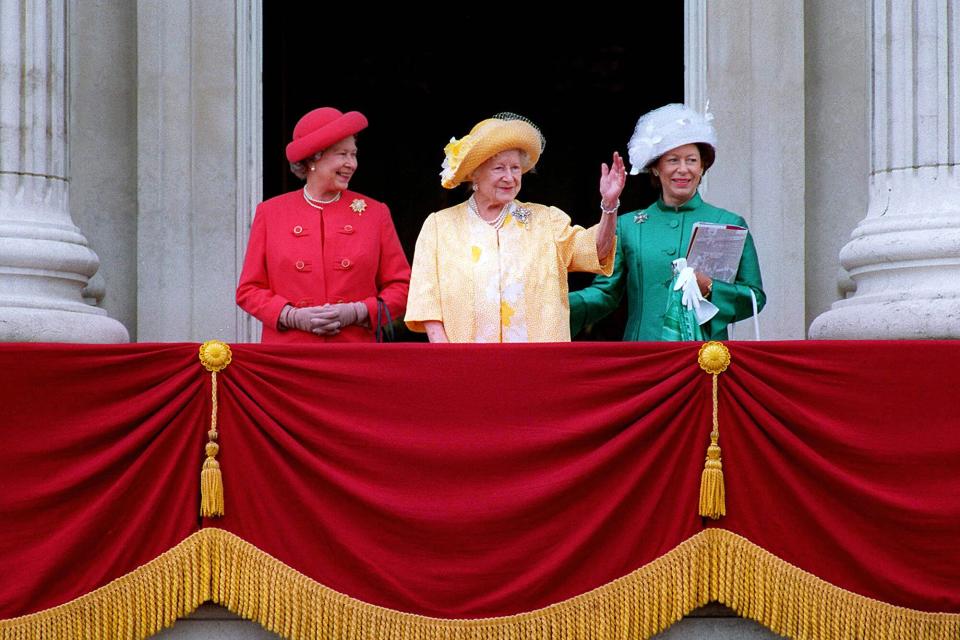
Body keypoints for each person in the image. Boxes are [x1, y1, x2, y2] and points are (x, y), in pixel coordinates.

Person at [404, 113, 623, 343]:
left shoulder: (546, 221)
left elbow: (597, 250)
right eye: (499, 168)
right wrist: (449, 357)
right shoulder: (440, 226)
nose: (509, 177)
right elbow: (426, 300)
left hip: (537, 366)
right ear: (475, 174)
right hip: (466, 365)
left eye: (515, 168)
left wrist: (609, 206)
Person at [569, 104, 765, 341]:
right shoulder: (629, 226)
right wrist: (555, 302)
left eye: (692, 160)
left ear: (702, 167)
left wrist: (711, 287)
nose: (683, 170)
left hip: (706, 357)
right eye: (673, 160)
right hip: (644, 355)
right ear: (655, 167)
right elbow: (604, 294)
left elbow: (754, 296)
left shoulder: (728, 222)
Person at [237, 107, 410, 343]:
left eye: (354, 154)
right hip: (288, 356)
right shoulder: (270, 213)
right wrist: (290, 315)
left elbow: (402, 287)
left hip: (355, 355)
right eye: (342, 154)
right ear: (313, 158)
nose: (352, 164)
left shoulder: (375, 213)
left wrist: (359, 311)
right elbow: (249, 290)